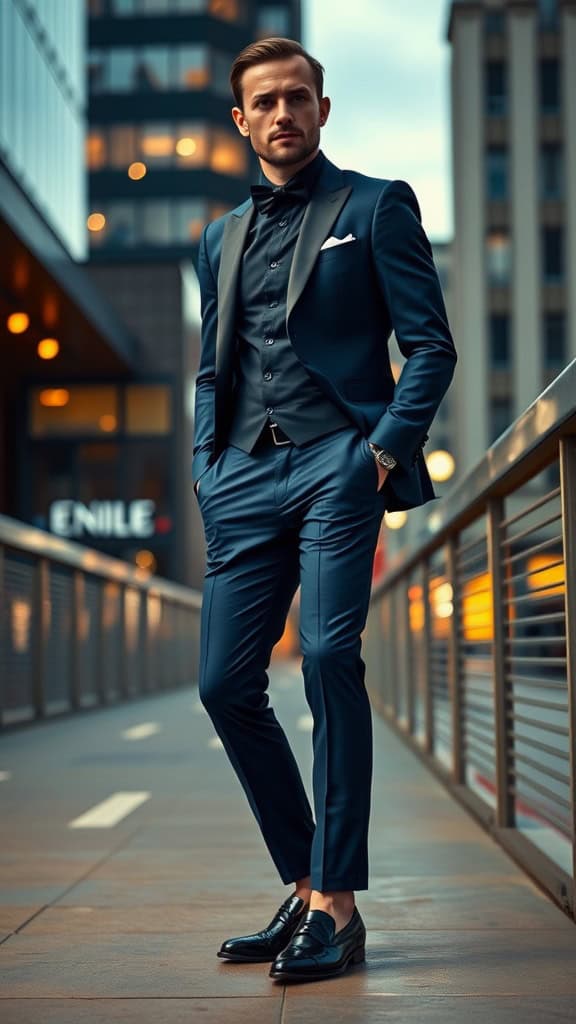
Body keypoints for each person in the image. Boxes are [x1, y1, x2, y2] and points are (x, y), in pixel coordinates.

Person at [193, 37, 457, 983]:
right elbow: (212, 370)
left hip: (339, 467)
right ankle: (306, 880)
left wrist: (378, 453)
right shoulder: (217, 237)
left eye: (297, 97)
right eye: (263, 102)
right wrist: (206, 470)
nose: (282, 114)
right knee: (225, 683)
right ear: (241, 120)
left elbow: (431, 348)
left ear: (322, 108)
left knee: (331, 656)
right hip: (243, 483)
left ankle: (336, 907)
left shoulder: (377, 206)